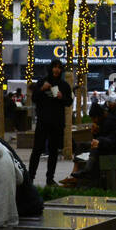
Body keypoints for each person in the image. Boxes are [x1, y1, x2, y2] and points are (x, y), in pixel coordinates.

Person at [28, 59, 72, 187]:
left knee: (53, 151)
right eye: (54, 67)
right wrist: (42, 89)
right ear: (50, 68)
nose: (56, 70)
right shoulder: (42, 82)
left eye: (59, 67)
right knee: (37, 149)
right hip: (43, 121)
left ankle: (50, 179)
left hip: (57, 122)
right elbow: (34, 98)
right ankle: (30, 178)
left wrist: (61, 97)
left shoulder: (64, 85)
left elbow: (69, 102)